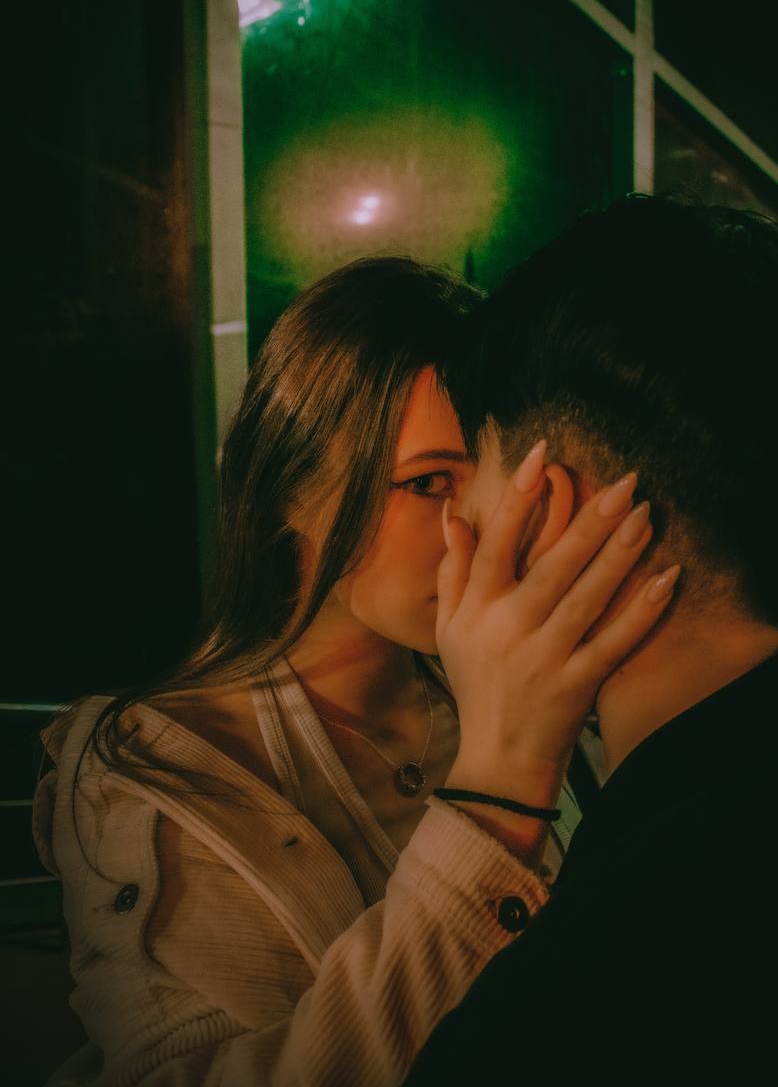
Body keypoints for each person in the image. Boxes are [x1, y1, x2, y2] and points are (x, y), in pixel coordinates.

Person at [34, 256, 672, 1086]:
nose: (480, 529)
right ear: (289, 489)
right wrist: (500, 791)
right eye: (428, 482)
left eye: (501, 481)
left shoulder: (532, 700)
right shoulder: (160, 774)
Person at [407, 195, 778, 1085]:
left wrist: (496, 766)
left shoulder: (588, 989)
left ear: (548, 511)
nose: (452, 524)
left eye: (466, 476)